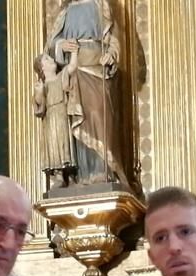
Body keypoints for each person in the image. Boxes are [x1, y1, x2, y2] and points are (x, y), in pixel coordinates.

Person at [45, 0, 128, 187]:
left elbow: (113, 39)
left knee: (99, 114)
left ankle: (103, 170)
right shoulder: (66, 11)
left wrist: (112, 55)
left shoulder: (101, 6)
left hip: (97, 70)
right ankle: (83, 175)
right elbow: (50, 47)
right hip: (74, 72)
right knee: (77, 120)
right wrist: (61, 46)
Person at [33, 52, 78, 189]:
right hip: (51, 119)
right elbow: (39, 107)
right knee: (54, 146)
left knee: (66, 143)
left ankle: (70, 175)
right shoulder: (42, 85)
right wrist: (40, 92)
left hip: (63, 114)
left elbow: (72, 67)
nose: (52, 59)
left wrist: (74, 51)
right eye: (47, 59)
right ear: (42, 68)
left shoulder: (61, 76)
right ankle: (59, 175)